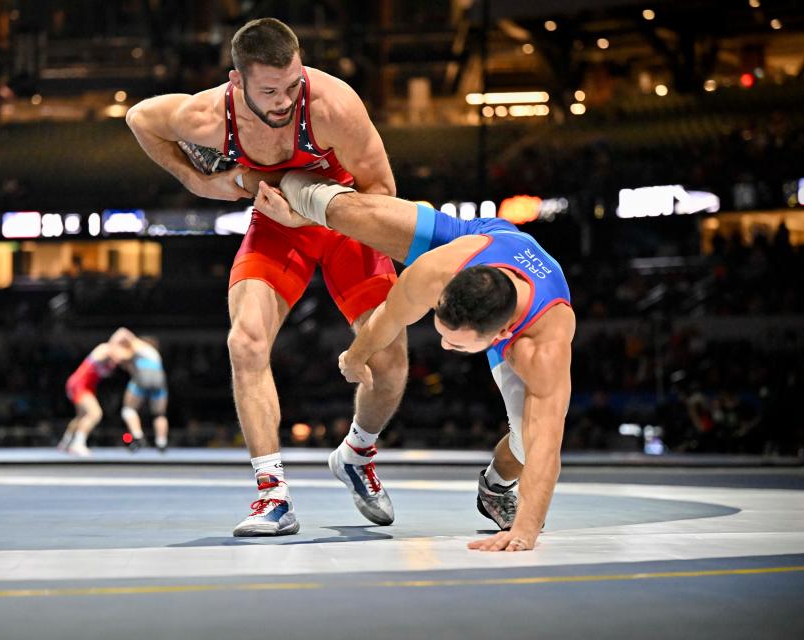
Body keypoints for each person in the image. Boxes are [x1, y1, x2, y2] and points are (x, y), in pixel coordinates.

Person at [126, 18, 408, 536]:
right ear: (236, 83)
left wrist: (313, 211)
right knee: (245, 341)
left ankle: (356, 453)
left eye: (293, 84)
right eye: (270, 90)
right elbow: (140, 117)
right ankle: (272, 496)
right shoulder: (209, 114)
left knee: (389, 361)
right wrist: (196, 179)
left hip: (345, 215)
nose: (285, 101)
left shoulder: (333, 106)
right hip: (278, 225)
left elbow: (384, 192)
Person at [253, 171, 575, 552]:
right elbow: (389, 316)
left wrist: (524, 530)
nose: (442, 344)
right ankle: (285, 198)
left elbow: (547, 448)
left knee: (527, 442)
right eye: (442, 329)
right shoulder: (436, 271)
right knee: (347, 209)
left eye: (455, 345)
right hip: (482, 238)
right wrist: (355, 357)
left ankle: (496, 487)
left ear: (501, 338)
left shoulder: (541, 346)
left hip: (521, 309)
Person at [60, 338, 132, 457]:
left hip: (85, 386)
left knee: (81, 417)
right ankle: (78, 444)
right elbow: (120, 349)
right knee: (95, 414)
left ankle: (65, 442)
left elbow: (122, 361)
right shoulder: (103, 349)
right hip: (79, 384)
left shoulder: (111, 363)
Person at [111, 328, 170, 452]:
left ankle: (138, 436)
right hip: (159, 378)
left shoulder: (138, 344)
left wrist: (112, 345)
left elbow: (122, 331)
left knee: (128, 409)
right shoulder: (153, 354)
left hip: (144, 375)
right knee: (159, 414)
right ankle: (161, 442)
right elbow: (130, 366)